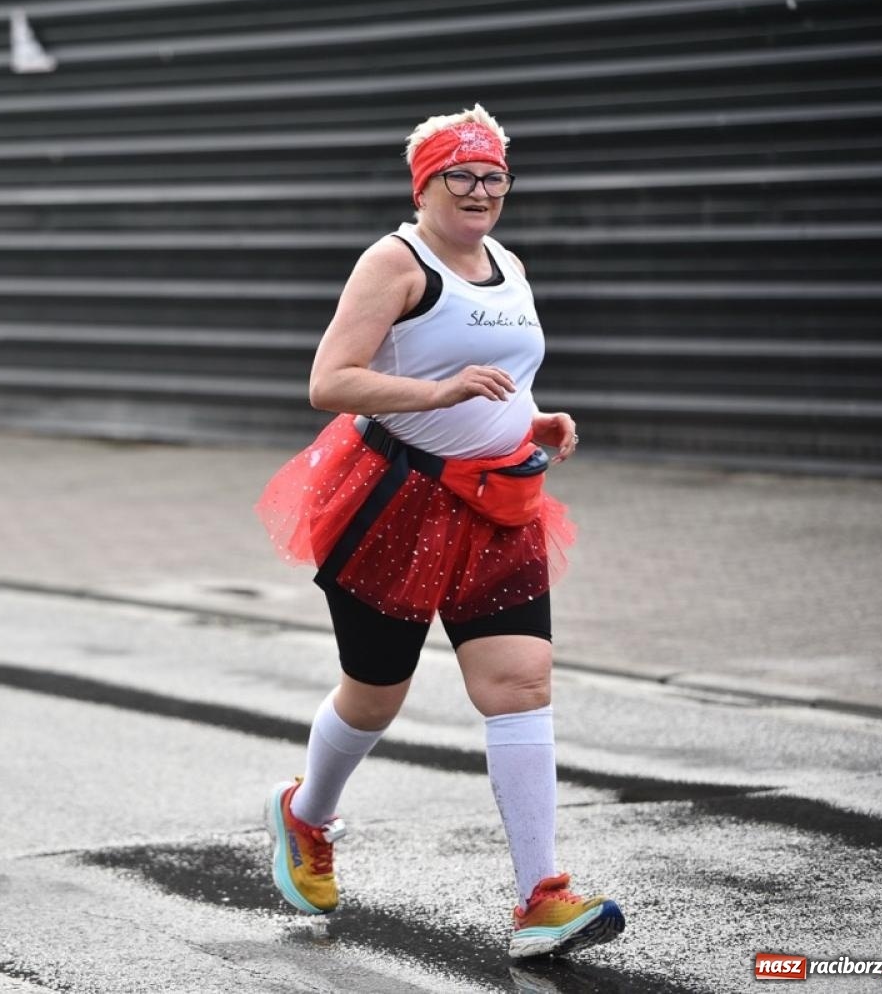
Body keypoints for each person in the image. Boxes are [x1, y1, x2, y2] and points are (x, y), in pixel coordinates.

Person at [254, 104, 624, 958]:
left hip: (500, 504)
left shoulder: (508, 262)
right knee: (376, 692)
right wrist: (440, 394)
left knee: (520, 685)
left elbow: (508, 376)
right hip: (397, 502)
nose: (481, 191)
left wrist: (531, 424)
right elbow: (329, 382)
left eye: (494, 176)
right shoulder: (396, 262)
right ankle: (304, 815)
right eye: (462, 175)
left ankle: (541, 896)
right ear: (424, 186)